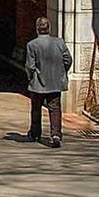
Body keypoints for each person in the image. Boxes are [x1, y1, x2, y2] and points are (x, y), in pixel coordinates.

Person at [25, 17, 72, 148]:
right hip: (55, 82)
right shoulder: (59, 42)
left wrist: (30, 78)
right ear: (49, 28)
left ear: (37, 29)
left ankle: (35, 133)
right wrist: (61, 72)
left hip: (38, 83)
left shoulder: (32, 45)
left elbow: (30, 65)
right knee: (55, 108)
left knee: (36, 108)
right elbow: (68, 59)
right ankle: (56, 134)